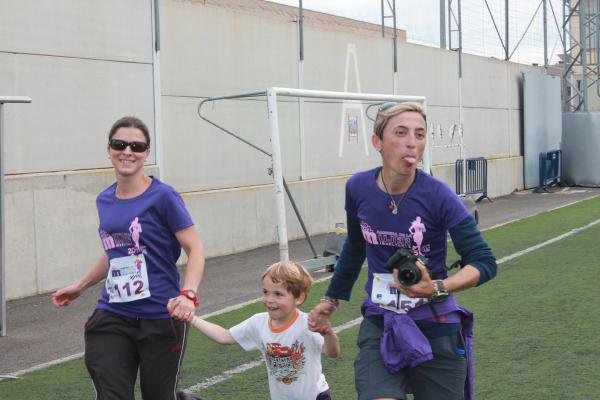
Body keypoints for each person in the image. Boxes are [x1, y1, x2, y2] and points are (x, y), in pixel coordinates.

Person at [308, 102, 497, 400]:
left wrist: (436, 287)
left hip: (434, 323)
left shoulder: (439, 195)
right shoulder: (358, 188)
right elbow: (356, 246)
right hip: (380, 321)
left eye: (420, 134)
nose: (412, 141)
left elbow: (484, 262)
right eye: (401, 132)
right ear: (377, 142)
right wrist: (330, 299)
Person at [52, 116, 205, 400]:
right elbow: (115, 252)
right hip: (113, 314)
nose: (127, 152)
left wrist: (188, 295)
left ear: (146, 153)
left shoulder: (163, 197)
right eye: (119, 144)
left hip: (160, 315)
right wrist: (81, 285)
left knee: (158, 396)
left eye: (137, 146)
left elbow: (195, 248)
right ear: (109, 149)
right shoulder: (104, 200)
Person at [190, 261, 340, 400]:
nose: (269, 299)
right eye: (265, 292)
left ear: (299, 298)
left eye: (278, 294)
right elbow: (224, 336)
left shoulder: (308, 323)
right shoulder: (258, 322)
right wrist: (192, 318)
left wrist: (328, 333)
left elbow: (333, 353)